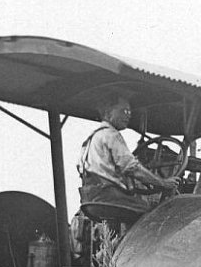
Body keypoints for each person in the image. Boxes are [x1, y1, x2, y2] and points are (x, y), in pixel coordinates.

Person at [77, 93, 180, 222]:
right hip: (110, 197)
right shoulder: (111, 135)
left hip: (91, 199)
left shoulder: (91, 139)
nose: (128, 114)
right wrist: (163, 183)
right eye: (123, 110)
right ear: (108, 111)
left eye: (129, 111)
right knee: (155, 215)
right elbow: (132, 168)